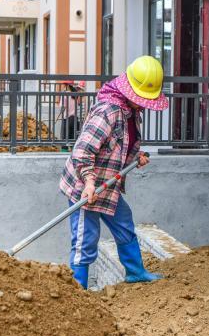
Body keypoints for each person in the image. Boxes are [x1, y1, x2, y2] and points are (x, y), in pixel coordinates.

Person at [59, 56, 169, 289]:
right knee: (85, 240)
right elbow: (82, 151)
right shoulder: (108, 111)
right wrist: (89, 182)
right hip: (86, 188)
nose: (144, 104)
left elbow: (119, 145)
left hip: (107, 186)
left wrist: (134, 157)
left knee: (124, 222)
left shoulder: (130, 110)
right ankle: (78, 291)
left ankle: (135, 271)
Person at [57, 80, 85, 152]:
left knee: (64, 135)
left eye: (63, 85)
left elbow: (62, 106)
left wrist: (61, 112)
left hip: (66, 117)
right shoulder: (75, 94)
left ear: (66, 85)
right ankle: (74, 150)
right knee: (73, 135)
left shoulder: (65, 94)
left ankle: (64, 150)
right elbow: (78, 103)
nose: (62, 86)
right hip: (75, 118)